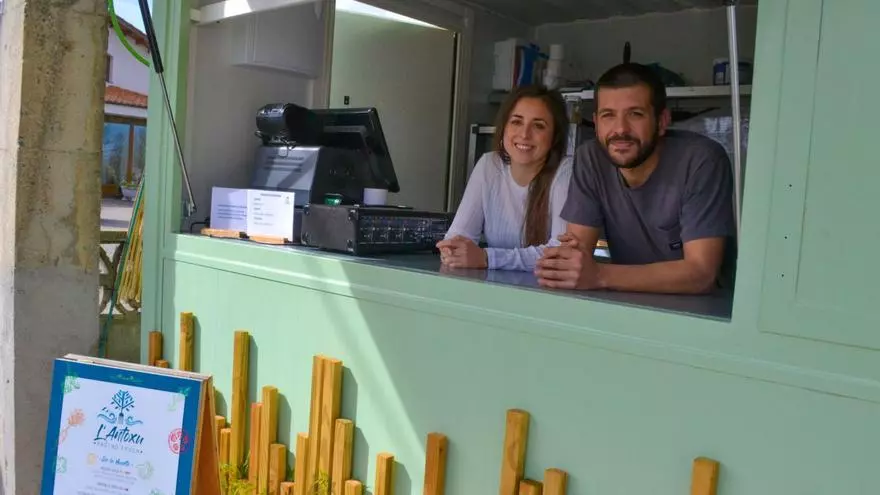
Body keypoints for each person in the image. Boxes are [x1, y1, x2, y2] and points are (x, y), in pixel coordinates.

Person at [535, 63, 736, 294]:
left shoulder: (702, 161)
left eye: (635, 114)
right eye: (608, 115)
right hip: (627, 301)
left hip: (704, 309)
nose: (620, 129)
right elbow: (575, 255)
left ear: (662, 121)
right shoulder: (590, 158)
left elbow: (701, 274)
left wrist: (599, 275)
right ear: (596, 123)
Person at [437, 84, 573, 271]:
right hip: (494, 285)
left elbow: (561, 253)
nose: (524, 134)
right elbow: (457, 237)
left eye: (538, 126)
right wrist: (452, 251)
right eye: (516, 122)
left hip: (547, 287)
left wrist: (488, 258)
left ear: (554, 137)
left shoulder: (566, 172)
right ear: (503, 128)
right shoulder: (489, 165)